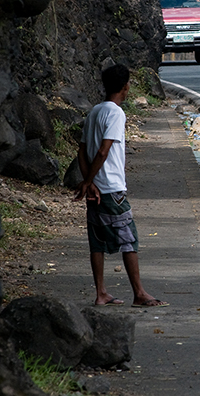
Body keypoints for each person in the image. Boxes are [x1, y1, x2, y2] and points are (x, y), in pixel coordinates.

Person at [74, 64, 169, 308]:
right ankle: (139, 293)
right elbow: (104, 151)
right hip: (111, 189)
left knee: (97, 241)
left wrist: (88, 181)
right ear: (126, 87)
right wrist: (90, 180)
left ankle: (101, 293)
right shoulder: (116, 113)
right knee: (128, 239)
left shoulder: (94, 111)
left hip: (95, 189)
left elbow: (82, 151)